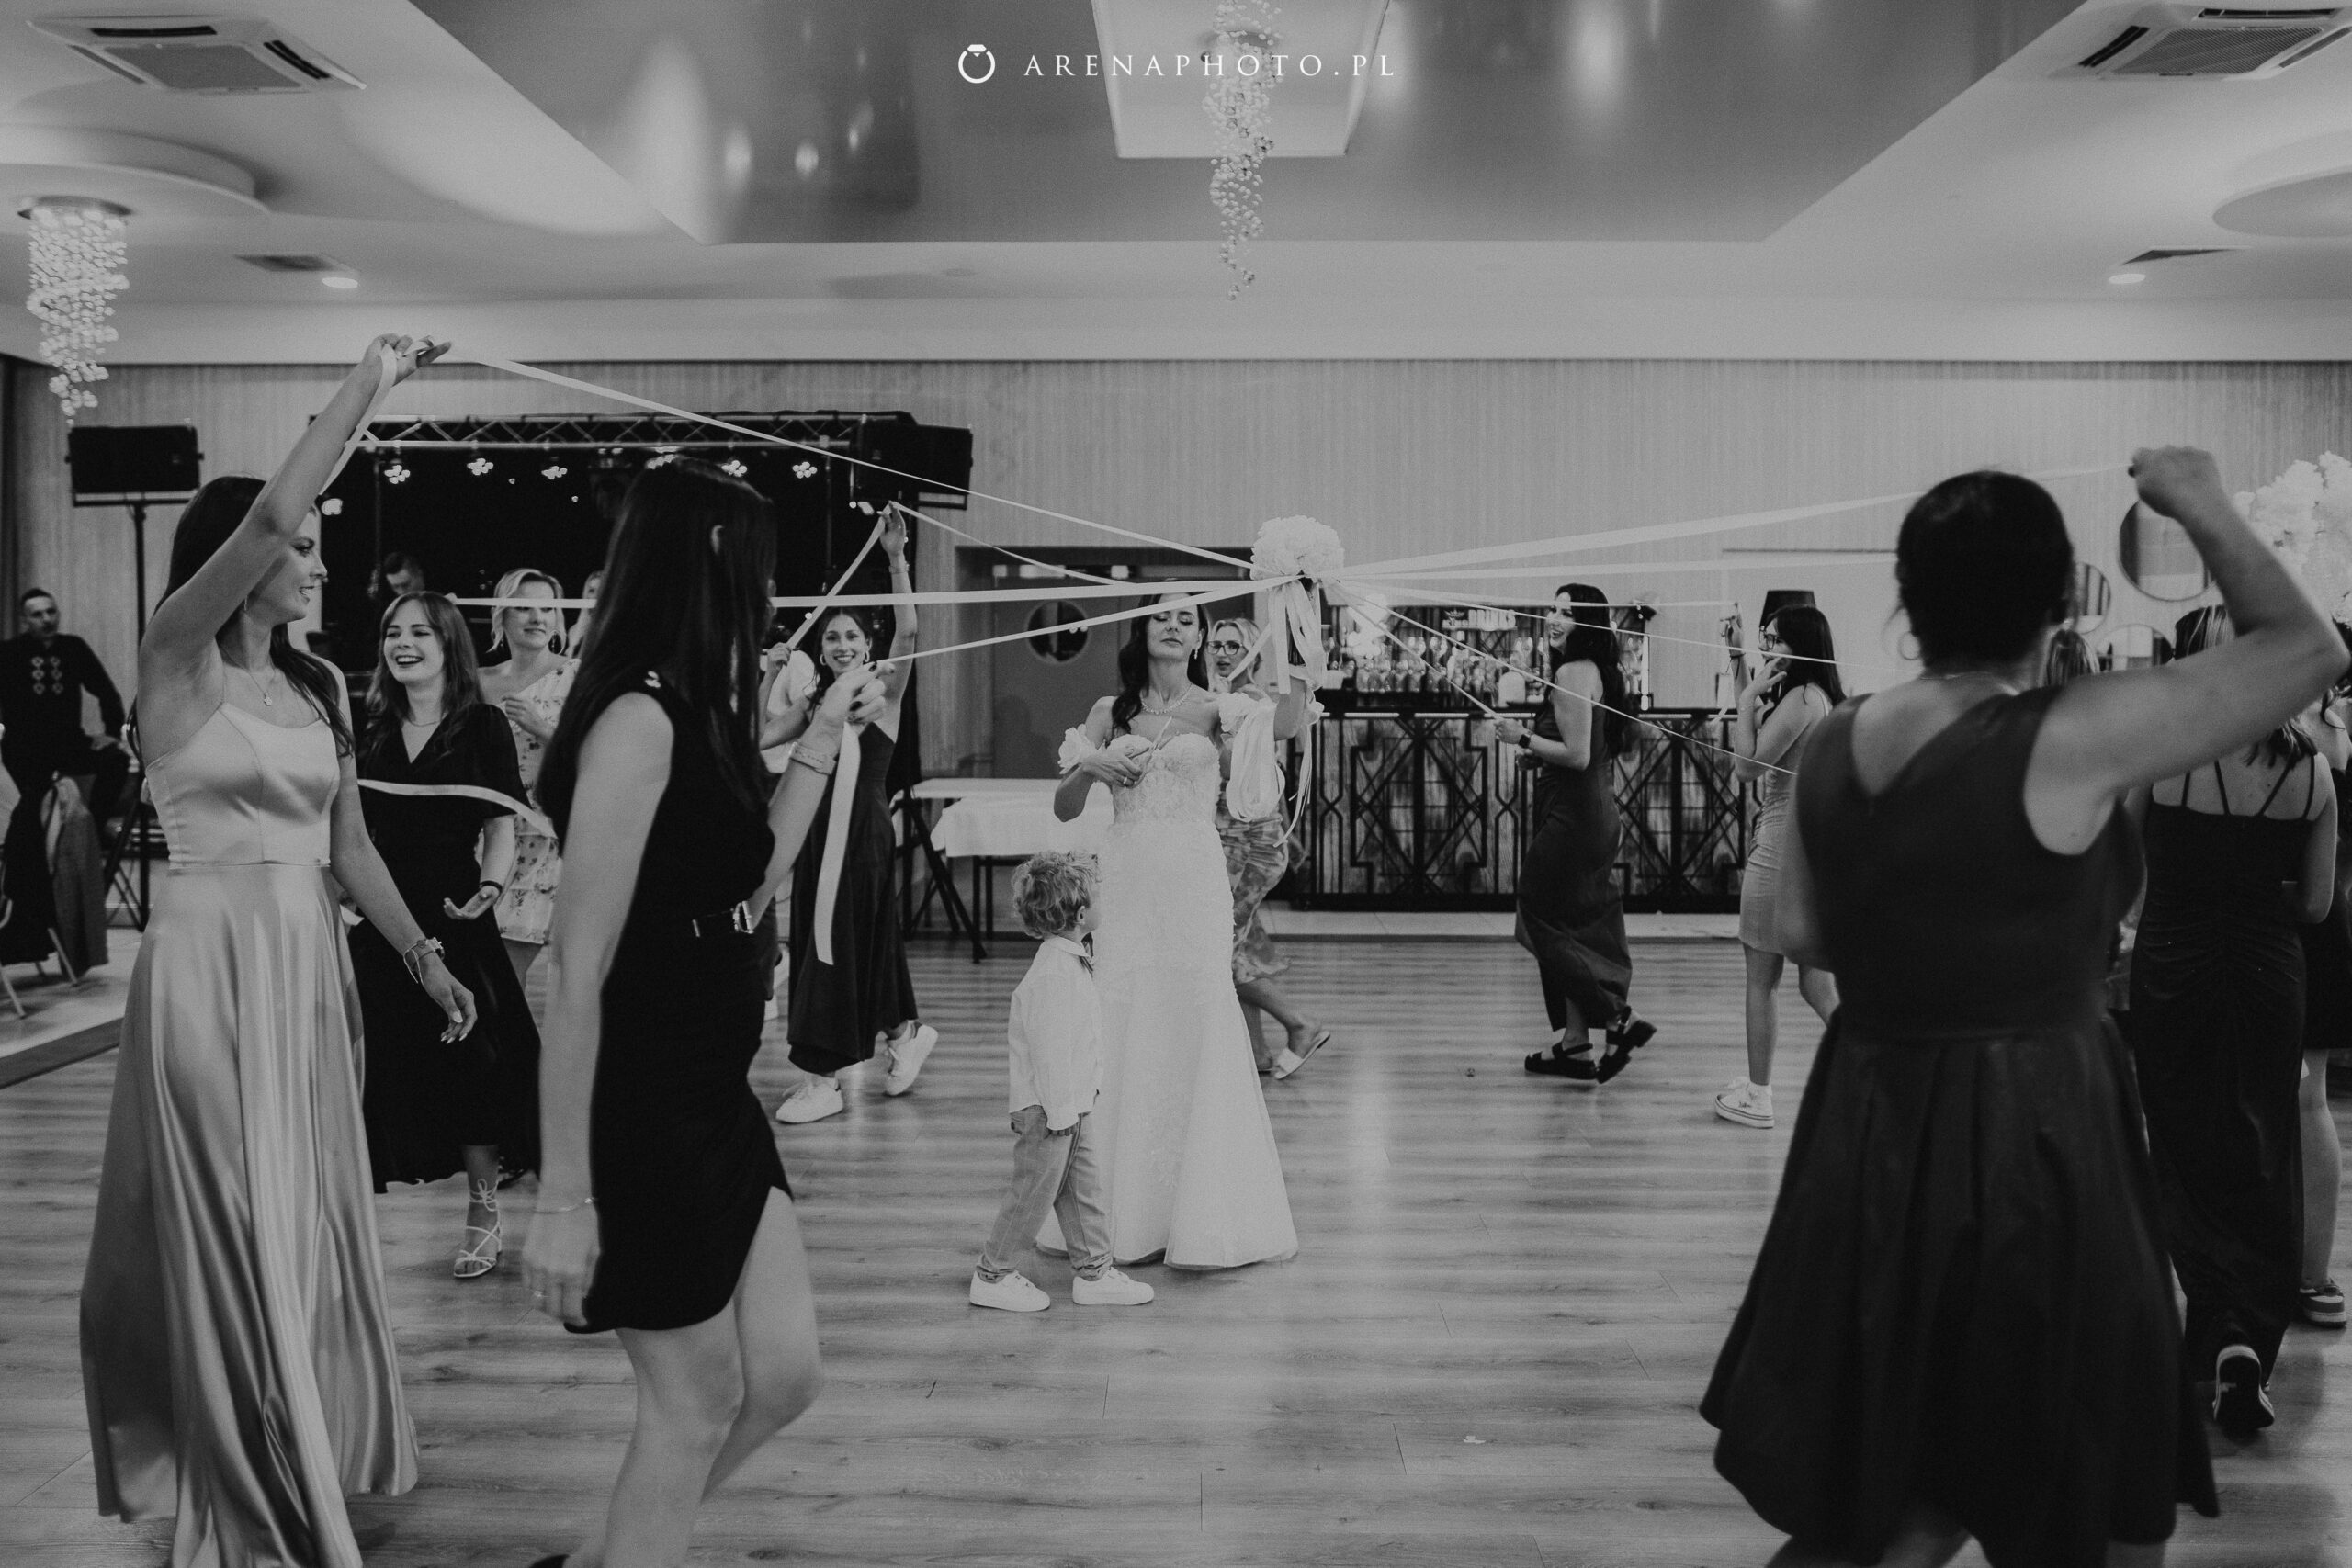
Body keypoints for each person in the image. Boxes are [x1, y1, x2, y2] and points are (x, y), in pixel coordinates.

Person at [1704, 451, 2345, 1568]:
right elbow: (2306, 651)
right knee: (2082, 1481)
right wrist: (2196, 498)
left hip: (1872, 1118)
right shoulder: (2066, 736)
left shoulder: (1839, 735)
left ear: (1908, 601)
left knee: (1898, 1474)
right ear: (2058, 604)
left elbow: (1802, 932)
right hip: (2034, 1127)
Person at [80, 335, 475, 1568]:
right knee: (230, 1212)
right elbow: (266, 510)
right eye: (301, 550)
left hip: (307, 965)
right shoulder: (173, 659)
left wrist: (421, 955)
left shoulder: (319, 688)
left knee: (300, 1212)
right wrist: (369, 383)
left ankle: (297, 1431)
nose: (313, 564)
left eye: (310, 549)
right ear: (243, 563)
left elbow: (347, 844)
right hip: (206, 967)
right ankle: (243, 1472)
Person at [519, 457, 882, 1568]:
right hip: (644, 1102)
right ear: (715, 557)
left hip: (712, 1095)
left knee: (784, 1377)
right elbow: (575, 968)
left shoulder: (696, 707)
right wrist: (563, 1196)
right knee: (692, 1402)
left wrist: (820, 737)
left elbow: (750, 882)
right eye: (759, 565)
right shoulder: (637, 719)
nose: (771, 593)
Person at [2130, 603, 2338, 1434]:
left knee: (2182, 1142)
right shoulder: (2313, 772)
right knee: (2262, 1144)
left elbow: (2126, 871)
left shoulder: (2167, 755)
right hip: (2265, 970)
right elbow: (2315, 904)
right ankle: (2245, 1334)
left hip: (2174, 963)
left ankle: (2213, 1320)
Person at [1046, 594, 1297, 1269]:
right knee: (1121, 1013)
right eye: (1164, 614)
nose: (1175, 624)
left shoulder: (1220, 709)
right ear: (1144, 629)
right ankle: (1115, 1209)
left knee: (1197, 1012)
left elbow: (1285, 725)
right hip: (1126, 878)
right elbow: (1065, 807)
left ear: (1199, 640)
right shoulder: (1109, 712)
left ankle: (1204, 1213)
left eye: (1189, 618)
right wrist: (1092, 766)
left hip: (1193, 878)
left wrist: (1297, 619)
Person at [351, 591, 541, 1279]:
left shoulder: (482, 724)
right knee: (381, 1064)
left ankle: (484, 1209)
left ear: (449, 644)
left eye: (420, 632)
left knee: (476, 1067)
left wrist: (490, 887)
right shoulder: (368, 726)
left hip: (457, 913)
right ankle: (349, 1224)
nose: (403, 643)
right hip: (379, 915)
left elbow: (500, 824)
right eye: (392, 632)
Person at [773, 509, 937, 1123]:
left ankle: (823, 1076)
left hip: (863, 834)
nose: (842, 645)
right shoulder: (814, 704)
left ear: (867, 646)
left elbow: (910, 631)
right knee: (853, 939)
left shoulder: (882, 694)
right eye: (832, 638)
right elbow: (757, 735)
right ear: (820, 650)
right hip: (813, 832)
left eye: (852, 637)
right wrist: (769, 670)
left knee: (836, 943)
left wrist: (895, 559)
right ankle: (902, 1031)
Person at [969, 851, 1156, 1312]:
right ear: (1080, 914)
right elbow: (1050, 1052)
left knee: (1083, 1190)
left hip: (1071, 1104)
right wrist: (1059, 1114)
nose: (1103, 904)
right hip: (1049, 1110)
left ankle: (1094, 1272)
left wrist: (1078, 1101)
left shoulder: (1068, 960)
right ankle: (993, 1275)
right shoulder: (1053, 974)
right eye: (1098, 898)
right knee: (1033, 1192)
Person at [1498, 585, 1655, 1084]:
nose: (1553, 617)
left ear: (1586, 623)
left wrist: (1522, 736)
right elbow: (1582, 749)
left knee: (1537, 917)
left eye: (1566, 612)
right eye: (1553, 608)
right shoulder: (1598, 671)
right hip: (1591, 813)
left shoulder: (1571, 672)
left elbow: (1578, 755)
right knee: (1571, 925)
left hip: (1574, 818)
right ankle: (1575, 1044)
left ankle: (1617, 1017)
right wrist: (1536, 753)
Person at [1715, 605, 1842, 1130]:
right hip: (1807, 848)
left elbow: (1747, 766)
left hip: (1780, 850)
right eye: (1764, 638)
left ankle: (1759, 1096)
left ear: (1801, 646)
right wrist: (1738, 658)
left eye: (1774, 640)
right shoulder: (1815, 696)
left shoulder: (1800, 699)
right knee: (1816, 984)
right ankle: (1874, 1066)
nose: (1766, 647)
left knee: (1761, 977)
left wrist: (1746, 698)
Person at [1206, 615, 1329, 1078]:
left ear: (1253, 655)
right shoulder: (1221, 700)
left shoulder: (1254, 704)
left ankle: (1300, 1024)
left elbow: (1247, 773)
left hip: (1247, 849)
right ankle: (1257, 1051)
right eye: (1216, 645)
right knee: (1236, 949)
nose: (1222, 653)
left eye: (1233, 646)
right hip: (1236, 842)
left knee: (1218, 949)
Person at [480, 567, 577, 987]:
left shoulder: (578, 676)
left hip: (551, 837)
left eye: (547, 608)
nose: (537, 617)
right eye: (524, 607)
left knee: (508, 972)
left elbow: (599, 758)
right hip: (490, 835)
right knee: (489, 971)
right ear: (501, 615)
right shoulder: (480, 681)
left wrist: (541, 727)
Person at [2297, 642, 2352, 1330]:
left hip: (2302, 918)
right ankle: (2310, 1273)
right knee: (2307, 1100)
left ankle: (2308, 1272)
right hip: (2327, 915)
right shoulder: (2332, 728)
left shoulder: (2308, 733)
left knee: (2304, 1099)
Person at [0, 586, 129, 821]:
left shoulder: (73, 648)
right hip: (24, 749)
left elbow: (106, 692)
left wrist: (111, 733)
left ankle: (94, 829)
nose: (47, 619)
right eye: (37, 615)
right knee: (31, 808)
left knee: (116, 760)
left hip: (69, 743)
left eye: (51, 612)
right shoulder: (9, 653)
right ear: (24, 620)